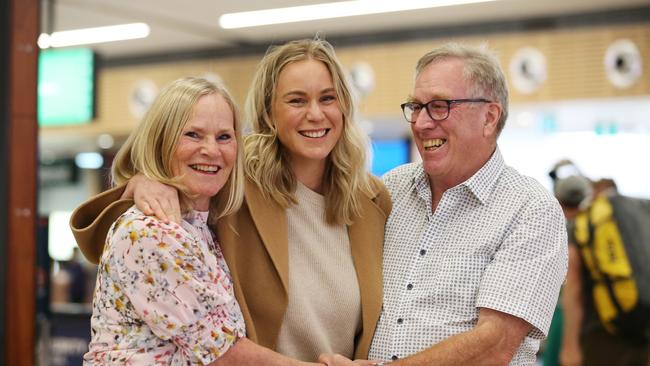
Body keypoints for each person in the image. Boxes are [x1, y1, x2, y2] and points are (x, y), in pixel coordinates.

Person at [70, 39, 391, 363]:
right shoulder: (237, 184)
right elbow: (223, 352)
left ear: (345, 106)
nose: (315, 113)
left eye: (328, 98)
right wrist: (145, 181)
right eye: (296, 100)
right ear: (268, 112)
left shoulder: (372, 201)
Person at [321, 42, 568, 366]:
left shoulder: (531, 211)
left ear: (489, 117)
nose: (421, 123)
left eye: (439, 106)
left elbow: (493, 346)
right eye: (416, 106)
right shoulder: (391, 189)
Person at [82, 76, 330, 365]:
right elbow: (225, 356)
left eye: (224, 137)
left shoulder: (204, 226)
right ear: (161, 140)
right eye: (193, 135)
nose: (211, 150)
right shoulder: (152, 232)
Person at [556, 175, 650, 366]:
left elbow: (573, 292)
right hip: (644, 327)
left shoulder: (581, 226)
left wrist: (569, 347)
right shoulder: (640, 209)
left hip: (601, 335)